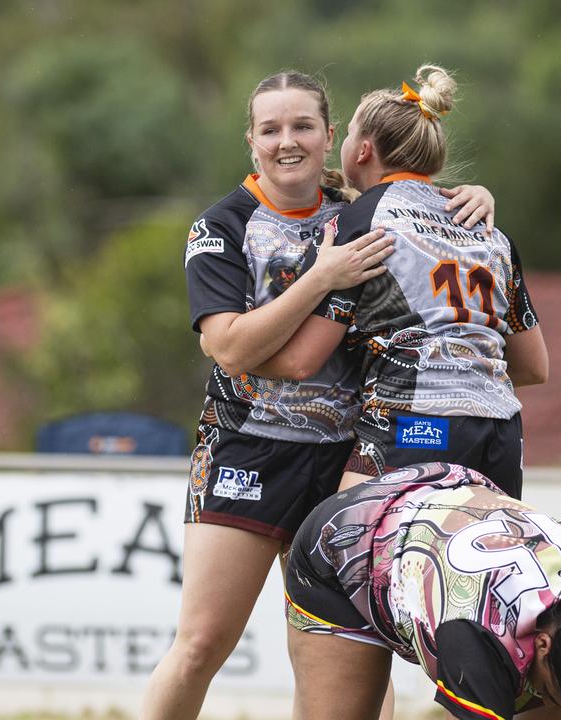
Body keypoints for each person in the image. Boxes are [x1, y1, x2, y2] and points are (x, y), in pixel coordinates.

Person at [142, 69, 497, 720]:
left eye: (302, 125)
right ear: (249, 140)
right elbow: (228, 347)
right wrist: (320, 277)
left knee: (350, 660)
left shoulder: (358, 214)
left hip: (349, 462)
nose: (287, 141)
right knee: (200, 643)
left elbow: (427, 214)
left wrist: (472, 199)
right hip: (247, 453)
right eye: (270, 128)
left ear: (331, 136)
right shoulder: (222, 225)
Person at [257, 65, 548, 499]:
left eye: (350, 132)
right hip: (501, 435)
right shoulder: (488, 226)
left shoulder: (358, 222)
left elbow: (303, 362)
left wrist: (237, 358)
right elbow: (533, 366)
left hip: (414, 424)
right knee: (470, 563)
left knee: (333, 551)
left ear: (363, 150)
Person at [285, 462, 561, 720]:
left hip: (453, 505)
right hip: (346, 544)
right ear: (545, 644)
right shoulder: (479, 635)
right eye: (554, 687)